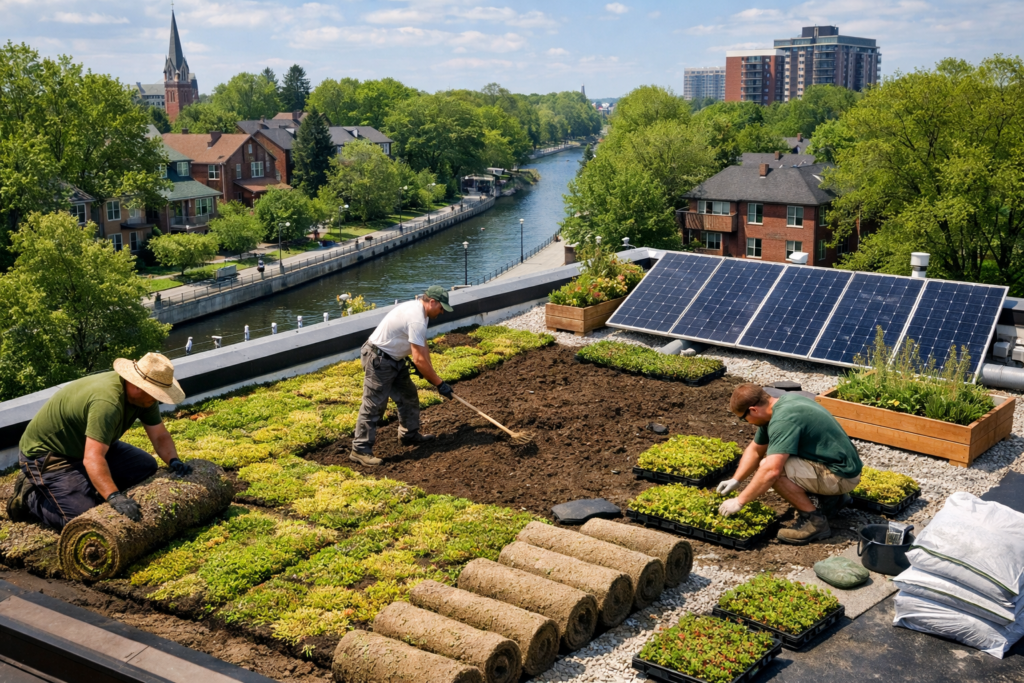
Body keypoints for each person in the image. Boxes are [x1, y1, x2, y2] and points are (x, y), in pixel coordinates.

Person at [6, 353, 192, 531]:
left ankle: (86, 482)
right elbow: (93, 457)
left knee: (145, 466)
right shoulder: (108, 403)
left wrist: (174, 461)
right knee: (83, 517)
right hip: (50, 455)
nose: (157, 399)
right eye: (156, 394)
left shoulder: (144, 400)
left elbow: (159, 435)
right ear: (137, 386)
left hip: (86, 446)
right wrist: (114, 496)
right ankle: (31, 497)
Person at [717, 384, 863, 545]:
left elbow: (771, 471)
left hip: (841, 476)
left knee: (774, 469)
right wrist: (736, 480)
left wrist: (739, 501)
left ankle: (815, 523)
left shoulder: (783, 420)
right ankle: (832, 501)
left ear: (753, 410)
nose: (745, 422)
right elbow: (755, 450)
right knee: (777, 460)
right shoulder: (782, 404)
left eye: (742, 418)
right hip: (839, 466)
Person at [351, 286, 454, 465]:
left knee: (408, 396)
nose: (442, 311)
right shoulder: (417, 319)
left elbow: (422, 348)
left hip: (395, 359)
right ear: (432, 302)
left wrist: (429, 371)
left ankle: (409, 435)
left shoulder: (422, 313)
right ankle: (360, 450)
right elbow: (418, 359)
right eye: (441, 307)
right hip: (379, 360)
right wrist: (439, 383)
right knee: (374, 405)